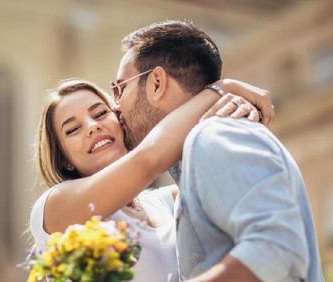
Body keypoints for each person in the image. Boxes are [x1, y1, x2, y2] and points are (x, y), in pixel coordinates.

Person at [114, 19, 323, 281]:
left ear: (156, 83)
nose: (117, 107)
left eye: (120, 89)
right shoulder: (196, 155)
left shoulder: (213, 136)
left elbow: (278, 248)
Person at [30, 77, 273, 281]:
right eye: (72, 130)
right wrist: (224, 88)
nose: (92, 127)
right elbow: (148, 159)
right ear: (65, 160)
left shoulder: (166, 202)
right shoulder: (53, 207)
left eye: (101, 113)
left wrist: (239, 115)